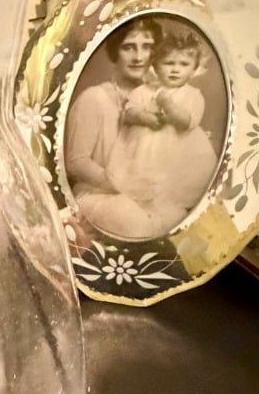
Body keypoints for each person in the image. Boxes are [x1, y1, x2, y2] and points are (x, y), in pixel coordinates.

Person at [65, 17, 166, 238]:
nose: (138, 57)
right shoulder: (94, 98)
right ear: (115, 52)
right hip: (98, 196)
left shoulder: (156, 100)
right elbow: (76, 162)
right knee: (135, 222)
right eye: (128, 47)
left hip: (143, 197)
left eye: (146, 47)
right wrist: (122, 186)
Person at [107, 30, 217, 229]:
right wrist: (144, 117)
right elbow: (129, 113)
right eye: (168, 63)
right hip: (142, 149)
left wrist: (169, 105)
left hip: (177, 152)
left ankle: (167, 216)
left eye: (184, 64)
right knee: (139, 185)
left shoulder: (192, 95)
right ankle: (142, 215)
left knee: (170, 190)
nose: (175, 70)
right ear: (156, 65)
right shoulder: (143, 91)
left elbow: (187, 122)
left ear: (194, 69)